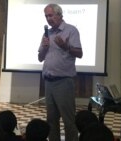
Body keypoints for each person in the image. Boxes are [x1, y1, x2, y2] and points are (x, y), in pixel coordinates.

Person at [38, 3, 83, 141]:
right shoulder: (47, 34)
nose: (48, 18)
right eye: (46, 16)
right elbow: (40, 58)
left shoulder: (71, 30)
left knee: (68, 120)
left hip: (63, 82)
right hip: (49, 83)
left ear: (59, 14)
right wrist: (45, 47)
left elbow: (79, 53)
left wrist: (65, 46)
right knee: (51, 120)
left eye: (50, 15)